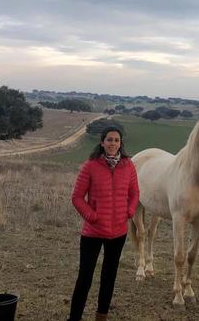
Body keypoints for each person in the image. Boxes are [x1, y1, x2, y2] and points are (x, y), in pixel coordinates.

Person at [67, 126, 139, 321]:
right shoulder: (90, 166)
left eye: (116, 140)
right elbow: (77, 197)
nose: (113, 143)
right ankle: (74, 318)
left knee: (109, 276)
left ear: (120, 143)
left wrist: (129, 211)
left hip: (118, 232)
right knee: (85, 277)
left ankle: (102, 316)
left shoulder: (128, 166)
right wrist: (92, 216)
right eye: (109, 140)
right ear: (102, 142)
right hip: (93, 232)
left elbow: (134, 194)